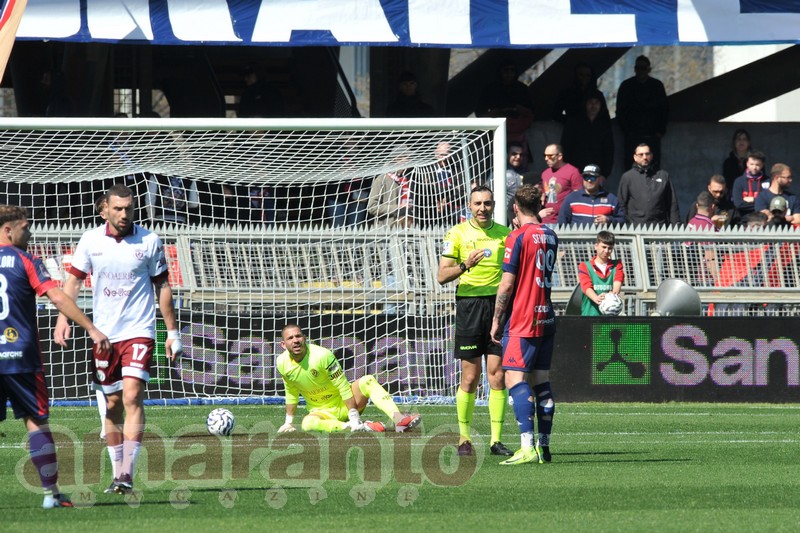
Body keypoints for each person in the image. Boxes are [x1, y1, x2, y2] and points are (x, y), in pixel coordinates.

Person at [54, 184, 182, 496]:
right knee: (111, 404)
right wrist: (63, 318)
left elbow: (163, 286)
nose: (124, 214)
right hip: (104, 335)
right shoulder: (90, 240)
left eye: (129, 208)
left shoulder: (149, 240)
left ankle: (126, 474)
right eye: (118, 209)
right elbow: (73, 282)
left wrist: (172, 332)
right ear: (105, 210)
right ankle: (116, 473)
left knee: (132, 396)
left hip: (139, 330)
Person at [0, 205, 110, 509]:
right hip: (20, 356)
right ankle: (52, 494)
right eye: (25, 227)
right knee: (36, 422)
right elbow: (57, 296)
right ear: (8, 230)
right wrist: (91, 328)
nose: (30, 233)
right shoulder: (25, 260)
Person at [437, 185, 513, 458]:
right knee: (470, 377)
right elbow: (442, 276)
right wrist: (465, 265)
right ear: (469, 206)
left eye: (487, 203)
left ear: (494, 206)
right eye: (478, 203)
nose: (483, 208)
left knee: (498, 374)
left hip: (498, 307)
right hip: (469, 306)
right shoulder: (457, 233)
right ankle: (464, 439)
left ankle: (496, 441)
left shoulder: (505, 234)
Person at [489, 184, 557, 465]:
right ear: (539, 205)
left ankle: (527, 447)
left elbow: (507, 284)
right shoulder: (550, 234)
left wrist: (496, 319)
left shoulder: (516, 237)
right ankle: (544, 446)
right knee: (542, 381)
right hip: (546, 315)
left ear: (515, 208)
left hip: (523, 318)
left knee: (514, 380)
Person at [276, 324, 421, 433]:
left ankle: (399, 419)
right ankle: (353, 427)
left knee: (367, 380)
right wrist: (289, 422)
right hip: (322, 412)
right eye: (290, 338)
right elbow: (291, 392)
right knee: (307, 424)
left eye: (298, 336)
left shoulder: (322, 355)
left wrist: (353, 415)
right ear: (283, 344)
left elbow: (343, 385)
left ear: (304, 338)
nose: (295, 340)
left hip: (345, 404)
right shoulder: (282, 362)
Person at [615, 55, 669, 167]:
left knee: (653, 167)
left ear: (649, 69)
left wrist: (660, 131)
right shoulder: (626, 86)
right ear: (634, 69)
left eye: (643, 68)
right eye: (638, 68)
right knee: (631, 167)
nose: (640, 71)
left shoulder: (657, 86)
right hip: (632, 136)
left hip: (652, 135)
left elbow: (664, 109)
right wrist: (626, 131)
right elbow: (620, 110)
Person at [617, 143, 680, 226]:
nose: (645, 157)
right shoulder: (627, 177)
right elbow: (621, 204)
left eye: (647, 154)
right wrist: (626, 224)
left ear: (652, 156)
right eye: (641, 154)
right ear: (635, 157)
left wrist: (676, 225)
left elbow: (672, 203)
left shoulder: (663, 175)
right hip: (635, 227)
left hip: (660, 226)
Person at [474, 61, 534, 144]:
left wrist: (515, 109)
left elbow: (531, 111)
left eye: (512, 70)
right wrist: (497, 112)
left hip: (519, 128)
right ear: (500, 71)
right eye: (506, 70)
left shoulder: (522, 89)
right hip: (496, 127)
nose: (509, 73)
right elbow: (480, 112)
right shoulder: (490, 89)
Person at [560, 90, 614, 177]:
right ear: (585, 104)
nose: (593, 106)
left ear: (601, 105)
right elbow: (566, 147)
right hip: (575, 171)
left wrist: (604, 174)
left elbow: (609, 150)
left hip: (597, 172)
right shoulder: (574, 123)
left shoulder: (604, 125)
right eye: (590, 102)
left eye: (596, 103)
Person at [558, 164, 625, 226]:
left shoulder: (611, 199)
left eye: (593, 177)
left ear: (599, 179)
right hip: (577, 235)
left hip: (602, 235)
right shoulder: (571, 198)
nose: (589, 180)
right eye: (586, 177)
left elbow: (622, 220)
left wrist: (608, 220)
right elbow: (562, 222)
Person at [577, 230, 625, 316]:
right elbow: (586, 286)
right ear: (596, 246)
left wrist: (612, 294)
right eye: (604, 247)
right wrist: (596, 298)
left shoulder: (617, 265)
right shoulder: (584, 266)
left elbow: (618, 280)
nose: (606, 251)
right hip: (590, 315)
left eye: (610, 248)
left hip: (609, 317)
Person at [367, 146, 413, 228]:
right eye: (407, 157)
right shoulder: (381, 180)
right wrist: (398, 208)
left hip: (406, 227)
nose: (410, 160)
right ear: (398, 159)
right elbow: (372, 207)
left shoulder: (407, 179)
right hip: (387, 228)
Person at [539, 143, 583, 225]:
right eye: (545, 155)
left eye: (550, 156)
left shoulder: (572, 172)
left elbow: (578, 196)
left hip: (563, 221)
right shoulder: (545, 173)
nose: (546, 158)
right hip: (545, 220)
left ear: (559, 156)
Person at [731, 151, 769, 222]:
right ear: (747, 164)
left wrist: (754, 199)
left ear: (762, 165)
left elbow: (769, 202)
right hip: (743, 221)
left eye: (757, 165)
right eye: (752, 164)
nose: (754, 167)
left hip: (763, 221)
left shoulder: (768, 181)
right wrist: (761, 205)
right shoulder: (739, 181)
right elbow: (738, 204)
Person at [722, 129, 752, 193]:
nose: (741, 142)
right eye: (739, 139)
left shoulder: (756, 161)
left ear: (748, 143)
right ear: (734, 142)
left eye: (744, 139)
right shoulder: (728, 162)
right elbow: (727, 183)